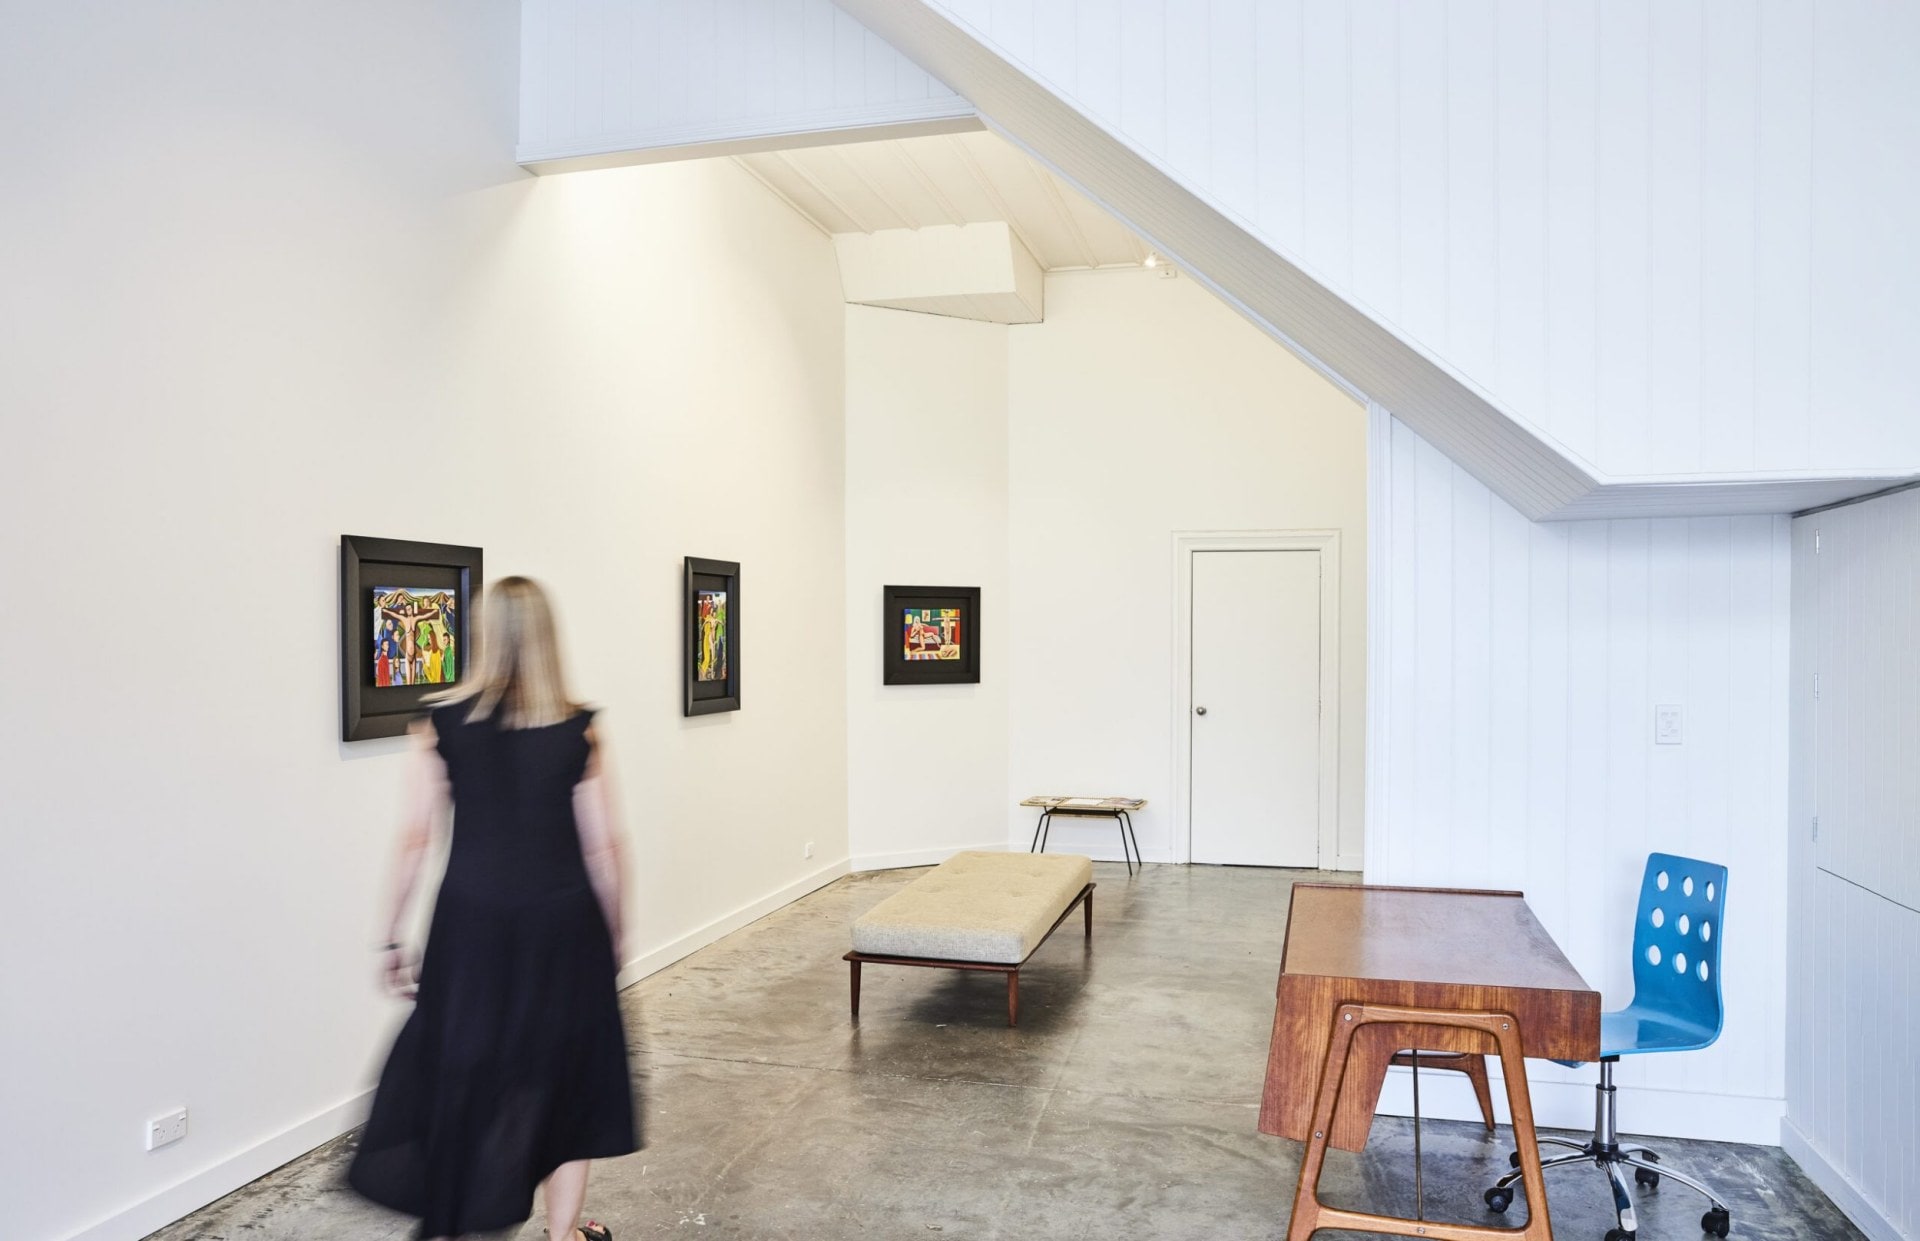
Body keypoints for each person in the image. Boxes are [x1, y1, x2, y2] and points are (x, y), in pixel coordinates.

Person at [349, 576, 636, 1241]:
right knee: (565, 1073)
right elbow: (603, 848)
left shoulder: (440, 724)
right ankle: (562, 1234)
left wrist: (392, 934)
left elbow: (416, 836)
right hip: (564, 925)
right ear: (546, 637)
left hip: (471, 924)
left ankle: (456, 1219)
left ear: (483, 635)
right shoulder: (579, 729)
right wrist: (616, 931)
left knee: (466, 1067)